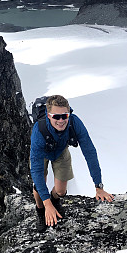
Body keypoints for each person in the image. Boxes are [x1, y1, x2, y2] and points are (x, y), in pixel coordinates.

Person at [30, 94, 114, 232]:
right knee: (39, 184)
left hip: (61, 150)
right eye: (56, 116)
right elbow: (36, 171)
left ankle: (55, 200)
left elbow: (90, 152)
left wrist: (98, 186)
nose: (61, 120)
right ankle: (40, 210)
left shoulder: (75, 123)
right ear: (48, 115)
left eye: (65, 116)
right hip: (42, 152)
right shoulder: (38, 132)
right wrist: (47, 204)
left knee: (61, 191)